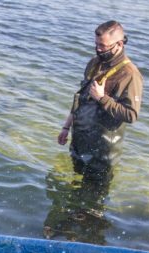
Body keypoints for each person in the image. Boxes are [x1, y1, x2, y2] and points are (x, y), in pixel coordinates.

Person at [57, 21, 143, 179]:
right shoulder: (94, 63)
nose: (98, 49)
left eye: (103, 46)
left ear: (119, 44)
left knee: (93, 199)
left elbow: (131, 115)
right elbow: (80, 97)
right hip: (80, 142)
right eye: (96, 44)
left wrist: (102, 98)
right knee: (74, 188)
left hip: (102, 153)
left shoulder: (129, 74)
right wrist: (66, 126)